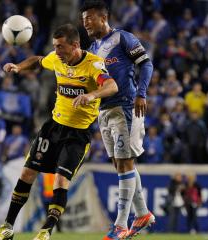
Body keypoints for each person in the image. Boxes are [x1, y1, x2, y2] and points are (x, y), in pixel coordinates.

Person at [0, 23, 118, 240]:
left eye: (60, 47)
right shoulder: (57, 59)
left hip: (77, 134)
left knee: (60, 180)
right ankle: (7, 227)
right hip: (53, 128)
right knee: (27, 172)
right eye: (55, 46)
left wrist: (91, 96)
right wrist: (19, 67)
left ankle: (45, 231)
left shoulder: (94, 65)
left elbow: (112, 86)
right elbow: (38, 60)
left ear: (75, 45)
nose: (57, 51)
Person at [80, 1, 155, 239]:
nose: (86, 23)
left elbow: (146, 64)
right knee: (119, 163)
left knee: (124, 162)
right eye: (83, 20)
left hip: (125, 107)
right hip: (104, 111)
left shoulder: (123, 38)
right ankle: (142, 213)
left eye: (89, 18)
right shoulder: (92, 48)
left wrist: (141, 94)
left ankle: (121, 225)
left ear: (103, 17)